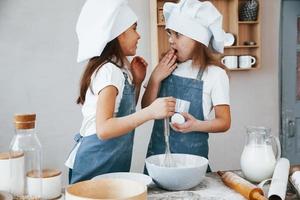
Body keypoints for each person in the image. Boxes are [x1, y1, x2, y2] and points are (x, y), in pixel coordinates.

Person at [65, 0, 176, 184]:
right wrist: (149, 112)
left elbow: (122, 113)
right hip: (96, 163)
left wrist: (137, 83)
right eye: (134, 28)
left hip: (110, 162)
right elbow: (104, 129)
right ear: (118, 34)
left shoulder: (118, 70)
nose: (138, 35)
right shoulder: (109, 71)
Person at [142, 0, 231, 171]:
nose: (170, 40)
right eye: (170, 34)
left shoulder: (215, 75)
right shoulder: (166, 66)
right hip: (158, 162)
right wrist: (155, 78)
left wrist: (196, 125)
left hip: (193, 164)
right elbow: (146, 107)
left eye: (177, 35)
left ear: (197, 39)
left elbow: (224, 122)